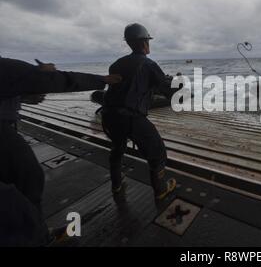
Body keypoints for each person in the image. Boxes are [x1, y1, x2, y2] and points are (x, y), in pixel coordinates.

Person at [0, 57, 121, 246]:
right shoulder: (5, 66)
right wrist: (103, 80)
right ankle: (36, 237)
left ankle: (35, 232)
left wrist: (21, 95)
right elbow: (60, 79)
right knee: (28, 178)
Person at [102, 23, 177, 200]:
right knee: (158, 152)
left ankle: (117, 184)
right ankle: (160, 190)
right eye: (147, 41)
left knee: (118, 148)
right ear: (144, 43)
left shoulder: (116, 64)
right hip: (131, 118)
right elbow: (166, 89)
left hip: (109, 116)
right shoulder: (149, 64)